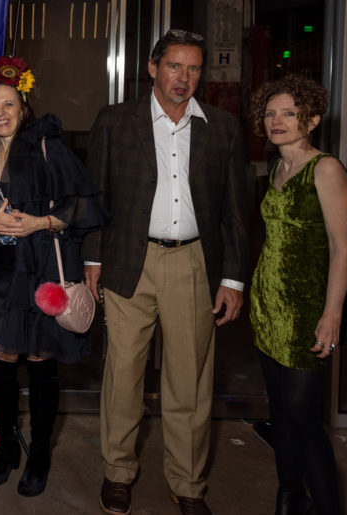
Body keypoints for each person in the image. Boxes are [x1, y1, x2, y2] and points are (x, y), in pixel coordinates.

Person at [84, 30, 248, 515]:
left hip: (194, 265)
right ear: (153, 68)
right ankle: (117, 472)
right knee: (124, 377)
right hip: (129, 261)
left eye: (194, 68)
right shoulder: (116, 121)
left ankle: (188, 482)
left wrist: (233, 278)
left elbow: (236, 211)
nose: (184, 78)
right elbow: (95, 198)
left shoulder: (222, 127)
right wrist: (93, 259)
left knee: (189, 381)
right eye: (175, 66)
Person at [0, 57, 108, 496]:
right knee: (0, 364)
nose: (1, 113)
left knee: (40, 362)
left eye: (9, 105)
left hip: (38, 270)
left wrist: (39, 222)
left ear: (24, 109)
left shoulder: (45, 145)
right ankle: (6, 448)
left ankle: (39, 452)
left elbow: (82, 206)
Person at [247, 75, 347, 515]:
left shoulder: (325, 168)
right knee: (281, 415)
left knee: (305, 420)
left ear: (310, 118)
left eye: (288, 113)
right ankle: (290, 496)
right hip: (267, 305)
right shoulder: (278, 167)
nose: (277, 121)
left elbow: (343, 248)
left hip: (306, 310)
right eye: (271, 113)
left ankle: (327, 507)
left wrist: (332, 315)